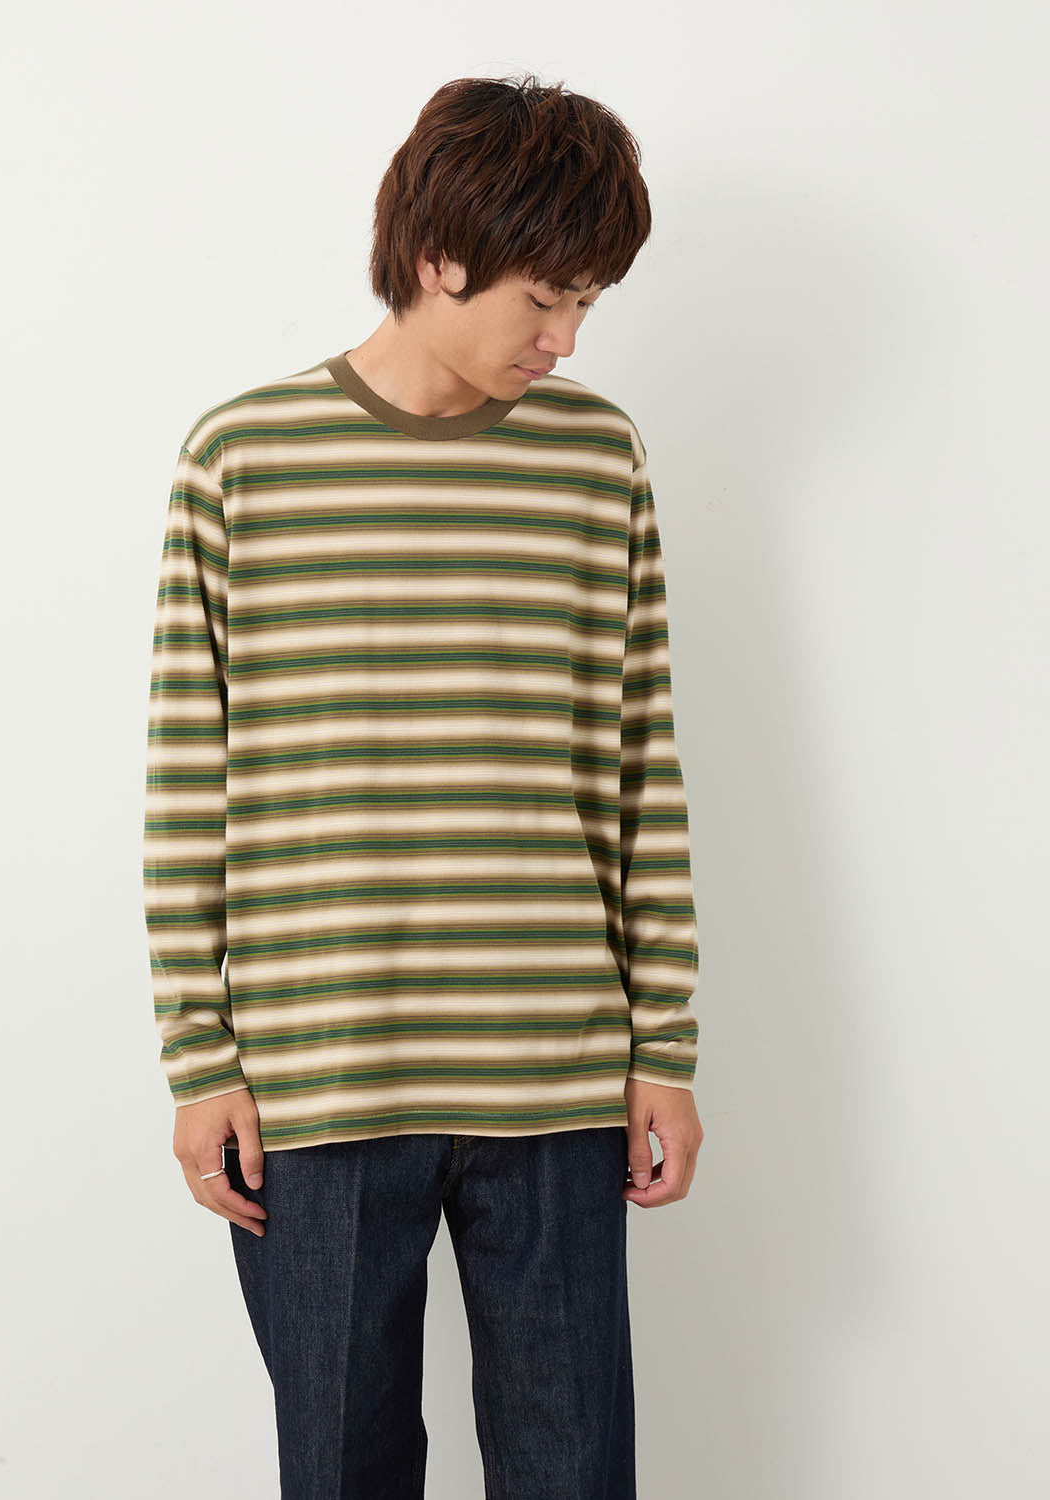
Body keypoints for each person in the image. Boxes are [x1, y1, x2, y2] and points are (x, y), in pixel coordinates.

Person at [142, 71, 703, 1500]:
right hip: (319, 1081)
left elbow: (640, 759)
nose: (566, 340)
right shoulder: (243, 459)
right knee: (343, 1470)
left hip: (556, 1074)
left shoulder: (597, 461)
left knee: (575, 1472)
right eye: (546, 299)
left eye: (589, 304)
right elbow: (189, 780)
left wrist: (664, 1047)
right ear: (440, 256)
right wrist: (201, 1058)